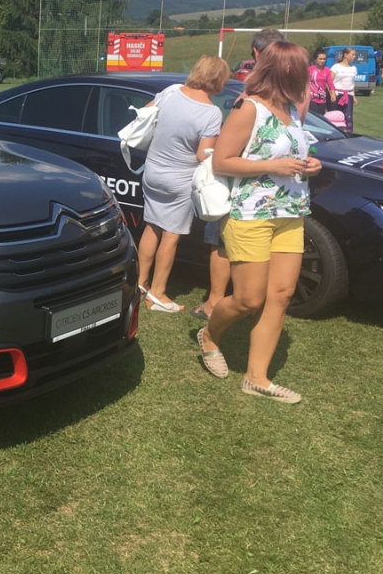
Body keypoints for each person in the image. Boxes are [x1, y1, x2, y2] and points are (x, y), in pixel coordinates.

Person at [196, 41, 322, 404]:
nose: (307, 75)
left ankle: (256, 377)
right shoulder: (248, 107)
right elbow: (222, 161)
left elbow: (294, 153)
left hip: (291, 213)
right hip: (251, 214)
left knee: (280, 296)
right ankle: (210, 336)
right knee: (249, 298)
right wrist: (273, 165)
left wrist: (312, 165)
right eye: (301, 68)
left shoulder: (291, 109)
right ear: (284, 70)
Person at [191, 29, 287, 321]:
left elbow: (226, 152)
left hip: (241, 180)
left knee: (220, 241)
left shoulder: (251, 95)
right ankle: (254, 298)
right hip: (278, 186)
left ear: (256, 53)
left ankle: (215, 302)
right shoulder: (290, 93)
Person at [137, 55, 230, 312]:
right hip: (179, 179)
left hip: (152, 170)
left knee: (151, 226)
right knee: (171, 236)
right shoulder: (211, 113)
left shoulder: (171, 91)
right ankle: (157, 294)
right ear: (218, 80)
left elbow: (146, 113)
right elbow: (203, 155)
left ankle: (140, 284)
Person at [330, 47, 358, 133]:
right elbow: (329, 81)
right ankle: (334, 133)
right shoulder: (336, 67)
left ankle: (348, 133)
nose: (354, 56)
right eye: (352, 54)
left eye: (355, 55)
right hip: (337, 93)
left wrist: (354, 96)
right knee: (336, 115)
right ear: (345, 55)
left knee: (348, 116)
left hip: (348, 94)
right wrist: (332, 93)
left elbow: (352, 83)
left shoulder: (353, 68)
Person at [307, 48, 336, 115]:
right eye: (320, 59)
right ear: (315, 59)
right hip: (311, 98)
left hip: (322, 99)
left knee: (321, 117)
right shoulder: (310, 70)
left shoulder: (327, 70)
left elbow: (330, 84)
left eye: (324, 59)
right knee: (314, 116)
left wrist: (333, 94)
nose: (322, 61)